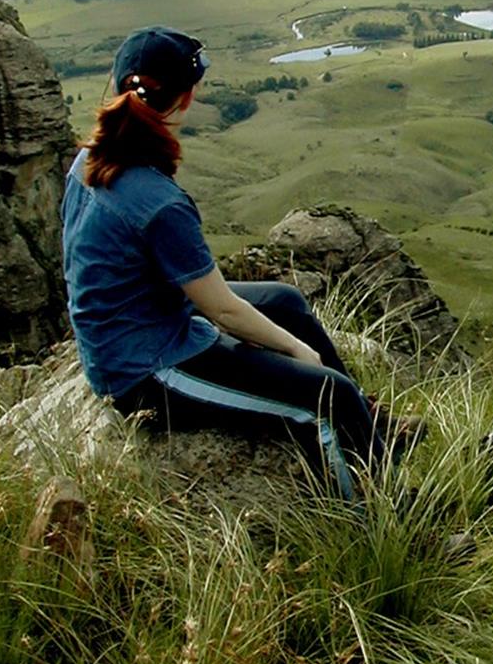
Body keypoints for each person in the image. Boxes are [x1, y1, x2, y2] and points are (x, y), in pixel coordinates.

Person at [61, 25, 391, 497]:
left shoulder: (92, 157)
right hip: (143, 370)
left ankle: (370, 426)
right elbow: (223, 310)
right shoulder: (158, 202)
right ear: (187, 98)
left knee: (284, 301)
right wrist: (300, 354)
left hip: (141, 320)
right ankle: (388, 517)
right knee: (326, 397)